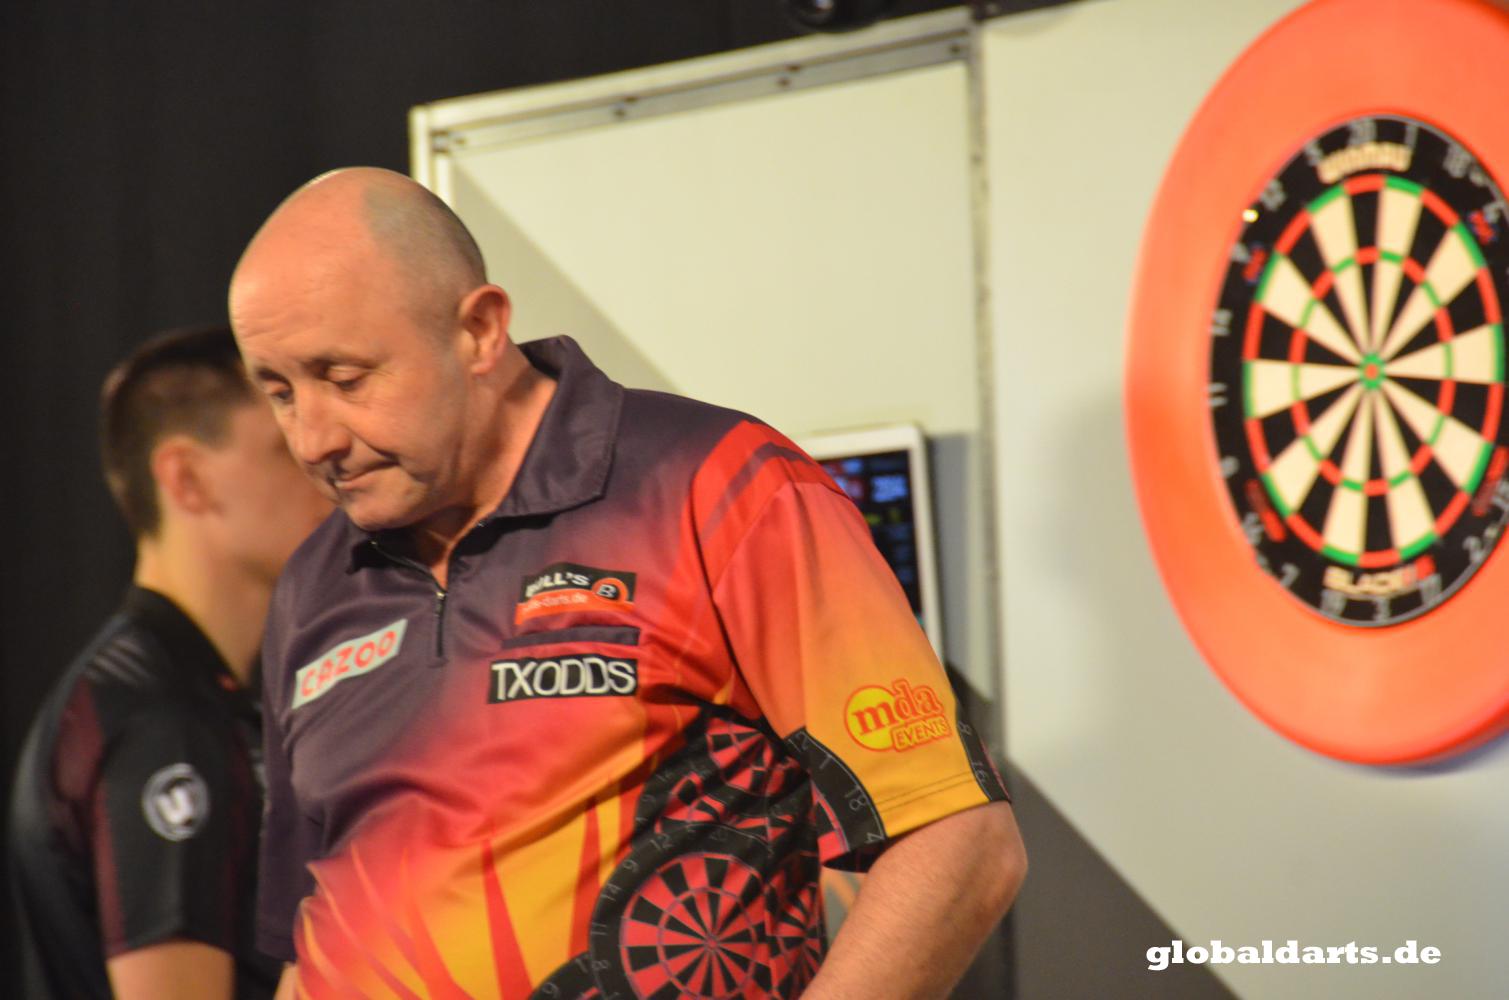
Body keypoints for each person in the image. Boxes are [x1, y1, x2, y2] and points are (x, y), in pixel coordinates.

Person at [231, 167, 1027, 1000]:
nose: (312, 440)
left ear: (480, 330)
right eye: (279, 394)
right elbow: (310, 942)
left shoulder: (715, 487)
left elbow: (958, 842)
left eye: (346, 379)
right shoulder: (313, 583)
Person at [7, 326, 332, 1000]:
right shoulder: (159, 718)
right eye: (283, 446)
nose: (323, 463)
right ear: (186, 479)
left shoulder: (188, 693)